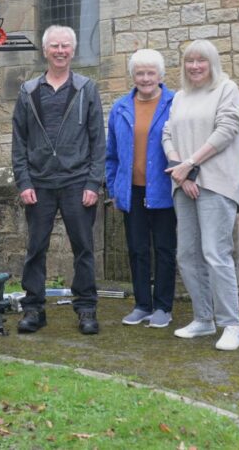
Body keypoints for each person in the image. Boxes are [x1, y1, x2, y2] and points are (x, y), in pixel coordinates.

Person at [11, 25, 106, 335]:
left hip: (77, 181)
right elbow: (19, 142)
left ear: (73, 51)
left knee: (83, 248)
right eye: (55, 46)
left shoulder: (86, 88)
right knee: (35, 249)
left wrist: (93, 183)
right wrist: (24, 182)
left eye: (65, 46)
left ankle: (86, 308)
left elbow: (98, 140)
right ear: (45, 50)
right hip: (39, 184)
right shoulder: (28, 91)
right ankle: (33, 309)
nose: (60, 51)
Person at [162, 39, 239, 351]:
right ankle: (203, 319)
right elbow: (167, 134)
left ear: (212, 63)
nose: (195, 66)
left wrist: (190, 164)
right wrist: (181, 170)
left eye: (201, 60)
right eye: (190, 60)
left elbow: (226, 131)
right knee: (187, 254)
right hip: (184, 183)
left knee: (215, 252)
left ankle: (232, 326)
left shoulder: (226, 89)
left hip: (216, 183)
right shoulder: (180, 97)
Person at [106, 49, 177, 328]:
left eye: (150, 73)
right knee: (137, 249)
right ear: (132, 76)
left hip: (164, 189)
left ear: (160, 75)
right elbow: (111, 155)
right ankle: (142, 304)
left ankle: (163, 307)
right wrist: (114, 189)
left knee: (164, 249)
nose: (145, 78)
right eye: (140, 73)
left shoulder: (175, 103)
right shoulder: (120, 108)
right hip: (131, 191)